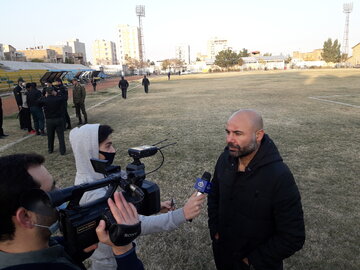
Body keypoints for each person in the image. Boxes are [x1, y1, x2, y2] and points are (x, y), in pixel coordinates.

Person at [69, 124, 206, 270]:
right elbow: (136, 224)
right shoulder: (90, 193)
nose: (113, 151)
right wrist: (182, 214)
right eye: (108, 146)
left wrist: (155, 206)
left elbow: (124, 205)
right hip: (110, 263)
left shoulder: (99, 175)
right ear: (90, 150)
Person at [0, 153, 144, 270]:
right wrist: (124, 250)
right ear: (26, 217)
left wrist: (70, 254)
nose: (60, 193)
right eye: (52, 193)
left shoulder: (36, 246)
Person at [208, 109, 305, 270]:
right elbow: (214, 195)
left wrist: (251, 261)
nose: (229, 139)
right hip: (223, 254)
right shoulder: (225, 159)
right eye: (228, 132)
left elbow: (293, 236)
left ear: (258, 135)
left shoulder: (279, 176)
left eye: (238, 133)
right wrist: (215, 231)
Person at [38, 88, 66, 155]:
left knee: (50, 136)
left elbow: (38, 102)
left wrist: (44, 96)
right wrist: (57, 94)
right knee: (61, 136)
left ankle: (50, 149)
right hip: (59, 119)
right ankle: (62, 151)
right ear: (53, 92)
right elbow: (64, 98)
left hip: (49, 120)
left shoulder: (45, 100)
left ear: (47, 93)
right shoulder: (58, 99)